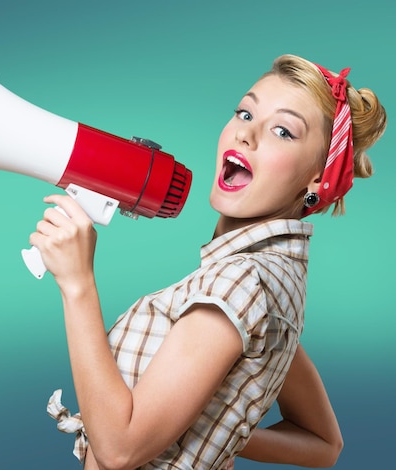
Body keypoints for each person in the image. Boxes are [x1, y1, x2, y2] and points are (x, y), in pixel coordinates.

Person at [33, 54, 387, 469]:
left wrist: (77, 285)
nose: (246, 134)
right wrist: (207, 426)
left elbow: (120, 450)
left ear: (317, 178)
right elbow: (323, 443)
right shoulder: (272, 283)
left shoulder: (239, 284)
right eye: (244, 112)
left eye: (282, 131)